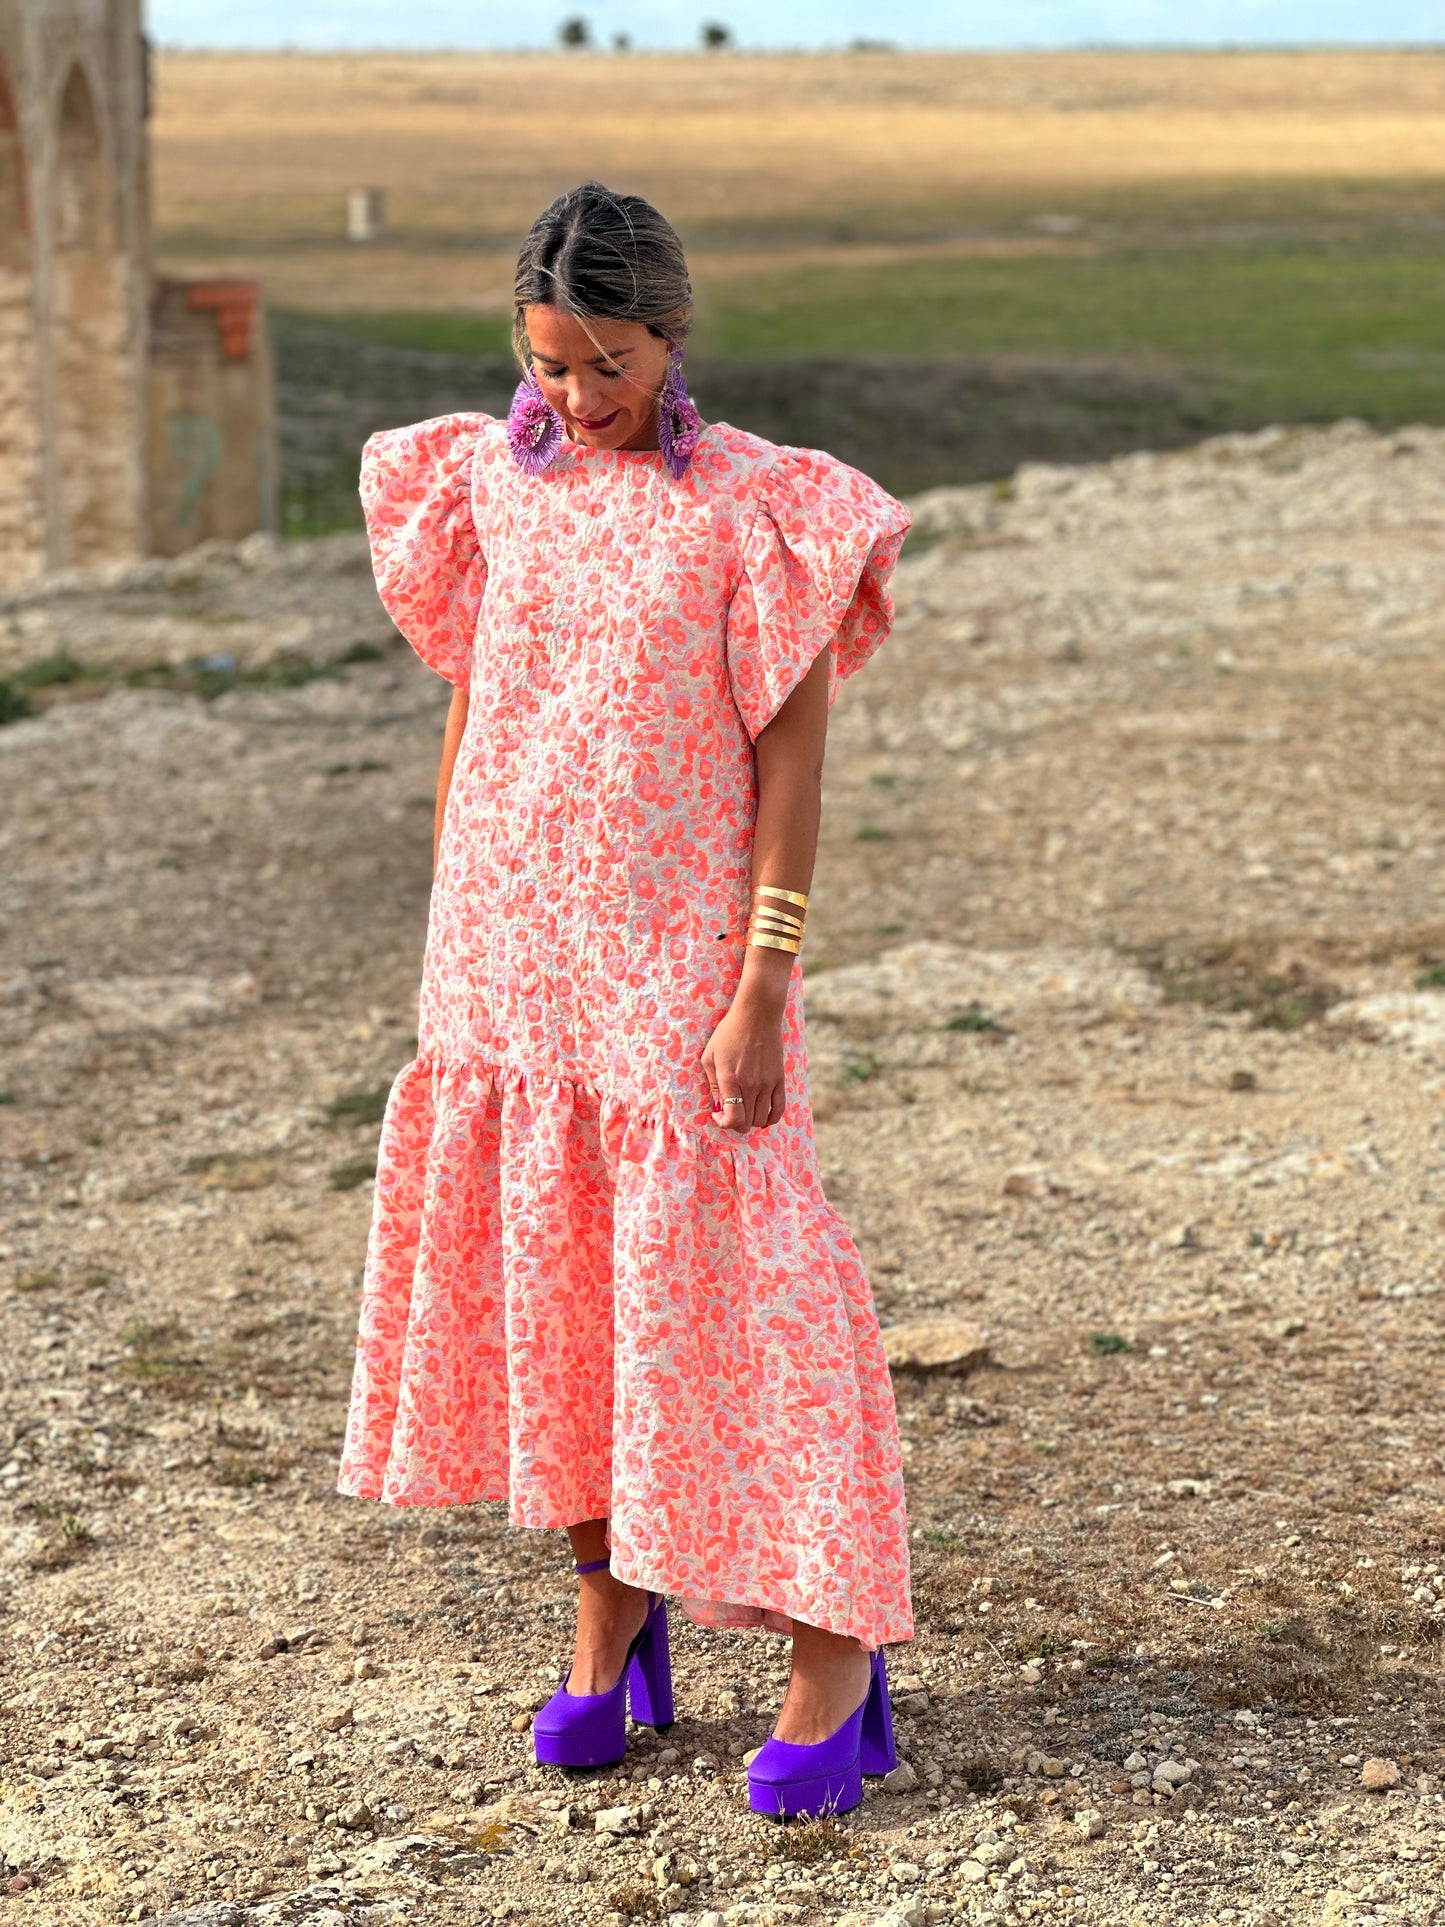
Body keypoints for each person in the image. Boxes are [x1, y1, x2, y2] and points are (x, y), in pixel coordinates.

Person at [337, 181, 914, 1819]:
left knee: (755, 1293)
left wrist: (762, 981)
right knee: (562, 1286)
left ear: (673, 336)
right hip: (512, 958)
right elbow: (477, 707)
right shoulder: (485, 489)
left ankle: (834, 1646)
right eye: (548, 363)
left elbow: (790, 763)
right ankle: (611, 1610)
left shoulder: (760, 509)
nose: (576, 399)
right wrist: (452, 923)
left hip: (678, 962)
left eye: (607, 363)